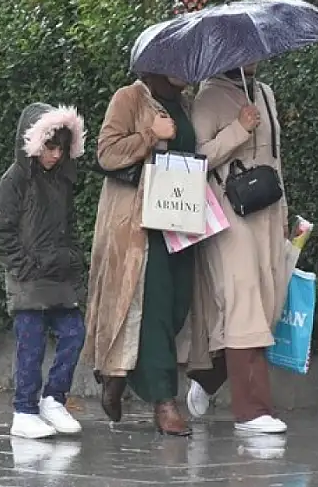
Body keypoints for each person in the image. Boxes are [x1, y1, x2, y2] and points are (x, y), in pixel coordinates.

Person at [83, 73, 199, 437]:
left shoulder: (188, 103)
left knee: (178, 305)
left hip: (181, 218)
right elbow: (107, 152)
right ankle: (164, 402)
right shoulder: (129, 97)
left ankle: (119, 374)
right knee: (155, 309)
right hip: (139, 225)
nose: (184, 72)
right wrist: (151, 135)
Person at [185, 64, 290, 435]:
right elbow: (195, 159)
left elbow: (275, 159)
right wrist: (238, 129)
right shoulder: (208, 97)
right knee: (243, 301)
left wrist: (285, 215)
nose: (255, 59)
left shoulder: (264, 91)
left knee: (266, 305)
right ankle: (252, 411)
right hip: (228, 213)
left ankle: (208, 377)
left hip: (267, 211)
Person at [0, 103, 88, 440]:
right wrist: (23, 268)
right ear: (32, 142)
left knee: (74, 335)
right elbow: (2, 230)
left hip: (59, 277)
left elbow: (69, 226)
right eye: (50, 147)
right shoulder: (15, 180)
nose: (55, 155)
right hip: (29, 281)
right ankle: (24, 410)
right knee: (30, 347)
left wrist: (74, 261)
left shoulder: (62, 181)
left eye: (61, 148)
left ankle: (54, 399)